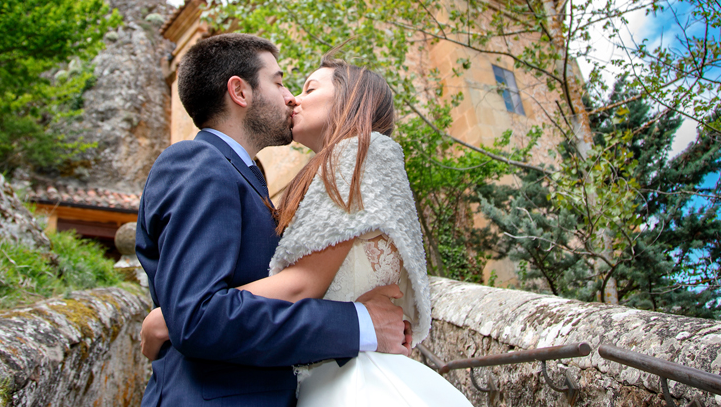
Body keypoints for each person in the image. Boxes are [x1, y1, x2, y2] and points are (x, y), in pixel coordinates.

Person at [141, 50, 473, 406]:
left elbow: (299, 286)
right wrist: (180, 316)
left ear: (349, 99)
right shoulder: (204, 163)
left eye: (307, 88)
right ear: (239, 92)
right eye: (281, 82)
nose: (292, 98)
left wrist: (168, 319)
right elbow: (207, 309)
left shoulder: (356, 157)